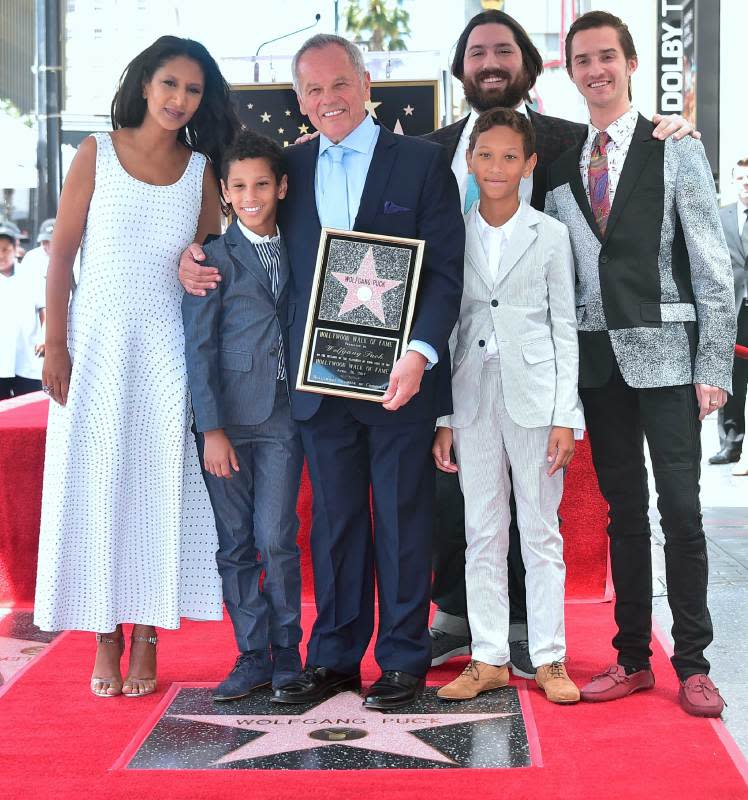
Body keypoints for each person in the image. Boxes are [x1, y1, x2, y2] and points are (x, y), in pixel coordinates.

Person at [179, 33, 464, 710]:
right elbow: (246, 237)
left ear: (367, 83)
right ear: (299, 100)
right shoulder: (292, 168)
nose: (327, 99)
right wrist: (197, 254)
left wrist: (420, 354)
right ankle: (334, 657)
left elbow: (448, 274)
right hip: (318, 384)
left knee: (401, 519)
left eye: (339, 84)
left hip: (400, 380)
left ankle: (400, 660)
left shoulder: (422, 164)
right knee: (335, 526)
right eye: (312, 89)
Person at [425, 9, 700, 676]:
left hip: (553, 356)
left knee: (539, 509)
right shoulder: (429, 149)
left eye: (504, 51)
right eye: (477, 51)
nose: (490, 62)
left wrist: (675, 126)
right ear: (461, 67)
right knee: (460, 501)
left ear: (527, 62)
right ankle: (457, 616)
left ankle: (527, 629)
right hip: (459, 360)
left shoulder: (573, 141)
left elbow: (621, 181)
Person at [34, 36, 239, 698]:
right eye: (170, 84)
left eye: (194, 90)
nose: (181, 100)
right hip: (94, 351)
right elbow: (62, 256)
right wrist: (57, 344)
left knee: (159, 491)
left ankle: (148, 634)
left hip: (166, 354)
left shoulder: (201, 168)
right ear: (145, 83)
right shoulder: (96, 151)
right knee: (98, 487)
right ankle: (104, 635)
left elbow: (208, 266)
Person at [545, 11, 735, 717]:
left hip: (670, 358)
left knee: (681, 511)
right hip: (598, 365)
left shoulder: (675, 146)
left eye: (606, 56)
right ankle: (632, 659)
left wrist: (713, 365)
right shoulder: (562, 167)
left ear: (629, 62)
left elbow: (713, 266)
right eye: (582, 60)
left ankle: (694, 663)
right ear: (571, 72)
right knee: (624, 514)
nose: (595, 69)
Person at [433, 108, 583, 705]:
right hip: (472, 397)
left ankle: (549, 657)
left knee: (541, 530)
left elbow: (565, 326)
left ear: (529, 164)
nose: (497, 167)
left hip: (535, 398)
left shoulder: (550, 234)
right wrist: (443, 417)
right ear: (470, 161)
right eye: (486, 155)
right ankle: (489, 654)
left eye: (509, 157)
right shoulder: (455, 231)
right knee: (482, 530)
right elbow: (447, 325)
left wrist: (565, 415)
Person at [182, 129, 304, 701]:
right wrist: (211, 430)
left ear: (281, 186)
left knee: (276, 535)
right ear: (225, 194)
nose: (251, 195)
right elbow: (199, 348)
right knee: (235, 542)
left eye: (262, 184)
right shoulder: (211, 257)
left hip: (285, 416)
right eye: (239, 187)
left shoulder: (305, 245)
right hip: (226, 423)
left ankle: (287, 653)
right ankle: (250, 653)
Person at [709, 157, 748, 473]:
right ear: (734, 181)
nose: (746, 183)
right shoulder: (721, 217)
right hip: (732, 309)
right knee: (733, 379)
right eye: (741, 178)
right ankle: (730, 445)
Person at [0, 221, 46, 400]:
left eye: (5, 249)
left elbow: (44, 308)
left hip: (27, 357)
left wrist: (45, 336)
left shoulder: (29, 275)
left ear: (15, 248)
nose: (1, 255)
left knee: (27, 408)